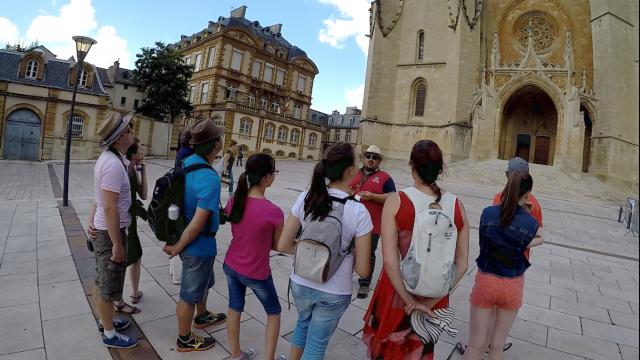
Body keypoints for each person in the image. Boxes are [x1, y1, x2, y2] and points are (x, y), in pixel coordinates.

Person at [363, 140, 470, 360]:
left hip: (398, 290)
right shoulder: (457, 205)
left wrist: (410, 301)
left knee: (389, 347)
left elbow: (391, 262)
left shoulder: (397, 201)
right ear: (440, 169)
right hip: (436, 292)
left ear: (412, 166)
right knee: (418, 348)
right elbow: (463, 265)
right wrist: (427, 304)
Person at [278, 142, 373, 360]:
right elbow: (363, 270)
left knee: (302, 324)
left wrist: (310, 254)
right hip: (334, 289)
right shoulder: (358, 210)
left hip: (300, 281)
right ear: (350, 170)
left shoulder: (306, 197)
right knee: (317, 344)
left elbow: (283, 244)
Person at [162, 118, 227, 352]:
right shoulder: (209, 177)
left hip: (190, 240)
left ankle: (202, 316)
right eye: (220, 137)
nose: (222, 140)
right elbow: (198, 224)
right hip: (197, 245)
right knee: (189, 294)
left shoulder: (187, 162)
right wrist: (177, 247)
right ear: (215, 145)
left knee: (204, 283)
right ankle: (185, 338)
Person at [463, 172, 543, 360]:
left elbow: (485, 243)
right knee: (497, 346)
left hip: (487, 279)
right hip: (512, 284)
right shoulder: (530, 223)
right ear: (527, 195)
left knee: (476, 344)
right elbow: (536, 237)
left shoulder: (488, 213)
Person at [224, 153, 284, 360]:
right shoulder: (273, 212)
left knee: (234, 306)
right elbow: (278, 245)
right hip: (256, 271)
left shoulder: (234, 201)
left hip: (231, 264)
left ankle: (236, 354)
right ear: (267, 177)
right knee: (274, 312)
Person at [88, 112, 138, 348]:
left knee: (101, 279)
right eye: (128, 131)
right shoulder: (112, 165)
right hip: (110, 233)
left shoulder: (114, 158)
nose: (132, 133)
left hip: (105, 230)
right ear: (118, 139)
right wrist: (117, 243)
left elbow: (100, 199)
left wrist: (135, 164)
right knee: (107, 287)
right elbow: (109, 207)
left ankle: (104, 320)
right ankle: (109, 335)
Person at [349, 145, 396, 299]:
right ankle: (343, 275)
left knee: (368, 254)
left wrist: (373, 196)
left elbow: (393, 197)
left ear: (379, 161)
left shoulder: (385, 177)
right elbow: (344, 187)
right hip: (350, 220)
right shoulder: (354, 172)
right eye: (368, 156)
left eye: (374, 157)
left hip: (372, 224)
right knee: (346, 250)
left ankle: (364, 283)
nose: (370, 160)